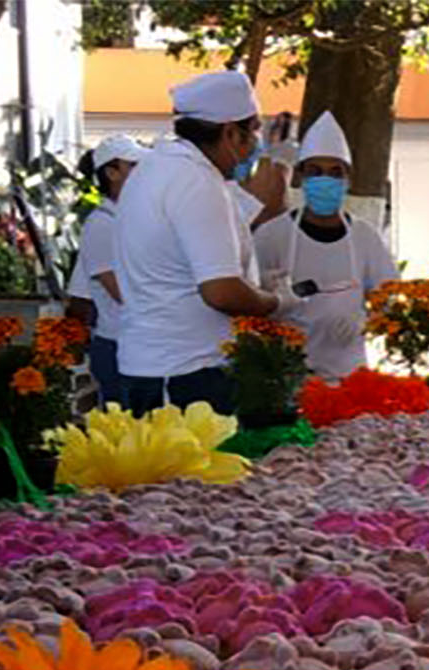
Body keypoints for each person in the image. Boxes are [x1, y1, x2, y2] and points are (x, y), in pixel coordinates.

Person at [117, 71, 295, 415]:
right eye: (253, 131)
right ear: (230, 132)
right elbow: (221, 291)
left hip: (159, 365)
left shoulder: (161, 166)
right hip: (183, 373)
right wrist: (275, 302)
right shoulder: (196, 180)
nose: (254, 144)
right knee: (193, 470)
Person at [251, 112, 396, 381]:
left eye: (334, 172)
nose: (324, 180)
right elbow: (248, 299)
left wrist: (365, 321)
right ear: (301, 176)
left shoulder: (366, 237)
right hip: (286, 375)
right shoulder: (271, 236)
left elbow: (388, 296)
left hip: (350, 373)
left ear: (347, 180)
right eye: (315, 172)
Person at [66, 133, 147, 409]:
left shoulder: (127, 219)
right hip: (118, 346)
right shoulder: (102, 225)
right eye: (133, 166)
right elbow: (123, 292)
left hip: (138, 343)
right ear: (111, 173)